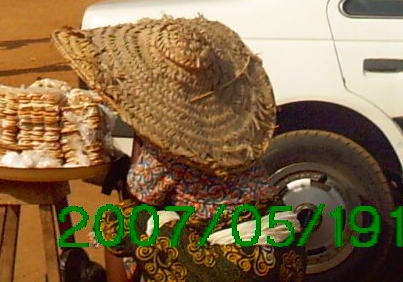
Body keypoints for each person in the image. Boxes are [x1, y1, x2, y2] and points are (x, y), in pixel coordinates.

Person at [52, 18, 298, 282]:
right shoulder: (236, 127)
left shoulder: (169, 148)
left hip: (234, 266)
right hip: (284, 252)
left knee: (117, 221)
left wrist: (138, 143)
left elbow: (141, 192)